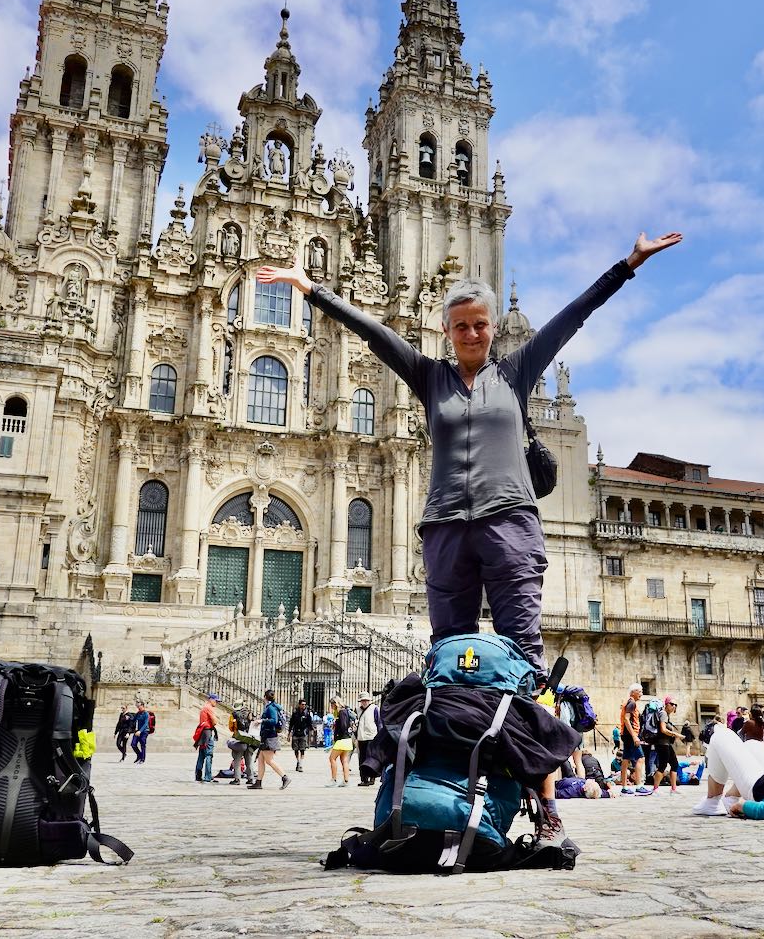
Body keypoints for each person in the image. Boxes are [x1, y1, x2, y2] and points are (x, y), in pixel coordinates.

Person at [259, 230, 683, 845]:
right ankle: (441, 797)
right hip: (445, 531)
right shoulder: (428, 377)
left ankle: (544, 806)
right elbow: (375, 334)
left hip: (510, 525)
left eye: (480, 324)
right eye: (461, 326)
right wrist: (311, 290)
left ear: (492, 328)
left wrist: (628, 264)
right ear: (447, 330)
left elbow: (575, 315)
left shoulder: (515, 372)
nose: (472, 334)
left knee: (525, 665)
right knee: (447, 663)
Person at [250, 689, 290, 791]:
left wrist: (261, 721)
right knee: (260, 759)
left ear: (265, 697)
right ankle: (258, 782)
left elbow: (274, 720)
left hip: (269, 737)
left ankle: (285, 777)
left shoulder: (271, 708)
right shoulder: (270, 706)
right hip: (266, 736)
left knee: (269, 760)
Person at [618, 685, 646, 790]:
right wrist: (634, 736)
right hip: (630, 735)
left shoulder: (628, 702)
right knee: (640, 758)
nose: (641, 694)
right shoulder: (632, 703)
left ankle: (624, 787)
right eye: (640, 691)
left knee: (626, 760)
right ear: (633, 692)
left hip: (626, 734)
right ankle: (639, 786)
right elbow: (626, 719)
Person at [327, 698, 356, 788]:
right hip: (347, 740)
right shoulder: (344, 711)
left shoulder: (342, 712)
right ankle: (346, 780)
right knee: (344, 760)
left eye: (332, 704)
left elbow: (343, 726)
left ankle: (334, 780)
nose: (331, 706)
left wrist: (337, 733)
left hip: (342, 740)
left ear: (335, 703)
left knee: (332, 758)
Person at [354, 692, 380, 786]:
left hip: (372, 737)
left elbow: (379, 723)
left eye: (366, 700)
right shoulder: (357, 710)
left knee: (372, 759)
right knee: (362, 759)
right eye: (363, 700)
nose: (364, 702)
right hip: (361, 738)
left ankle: (372, 778)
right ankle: (364, 779)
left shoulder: (374, 709)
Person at [192, 693, 218, 782]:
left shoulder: (204, 708)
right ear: (211, 700)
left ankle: (198, 775)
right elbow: (214, 722)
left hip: (202, 733)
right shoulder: (209, 708)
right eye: (216, 701)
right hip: (207, 733)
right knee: (209, 755)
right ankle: (208, 776)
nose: (216, 703)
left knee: (201, 755)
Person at [288, 700, 312, 773]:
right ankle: (298, 761)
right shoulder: (295, 713)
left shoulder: (307, 713)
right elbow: (291, 723)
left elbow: (309, 724)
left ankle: (300, 764)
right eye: (302, 704)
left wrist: (311, 734)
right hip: (295, 733)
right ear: (299, 705)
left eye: (305, 704)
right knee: (295, 749)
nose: (304, 706)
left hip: (303, 733)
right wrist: (289, 733)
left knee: (302, 749)